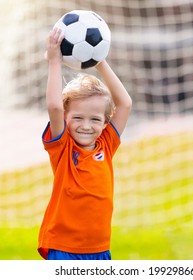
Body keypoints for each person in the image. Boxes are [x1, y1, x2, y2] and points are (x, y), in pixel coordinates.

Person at [38, 28, 132, 260]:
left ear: (105, 122)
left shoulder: (106, 145)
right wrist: (54, 62)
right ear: (66, 118)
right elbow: (55, 106)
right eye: (77, 118)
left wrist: (100, 60)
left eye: (95, 119)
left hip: (100, 250)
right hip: (64, 249)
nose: (86, 126)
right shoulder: (62, 148)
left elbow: (125, 103)